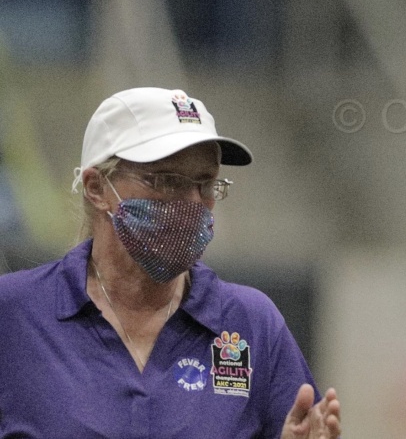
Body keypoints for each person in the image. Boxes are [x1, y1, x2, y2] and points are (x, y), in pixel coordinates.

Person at [0, 87, 341, 438]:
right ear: (97, 187)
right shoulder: (15, 314)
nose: (194, 202)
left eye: (206, 183)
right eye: (167, 181)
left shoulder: (251, 324)